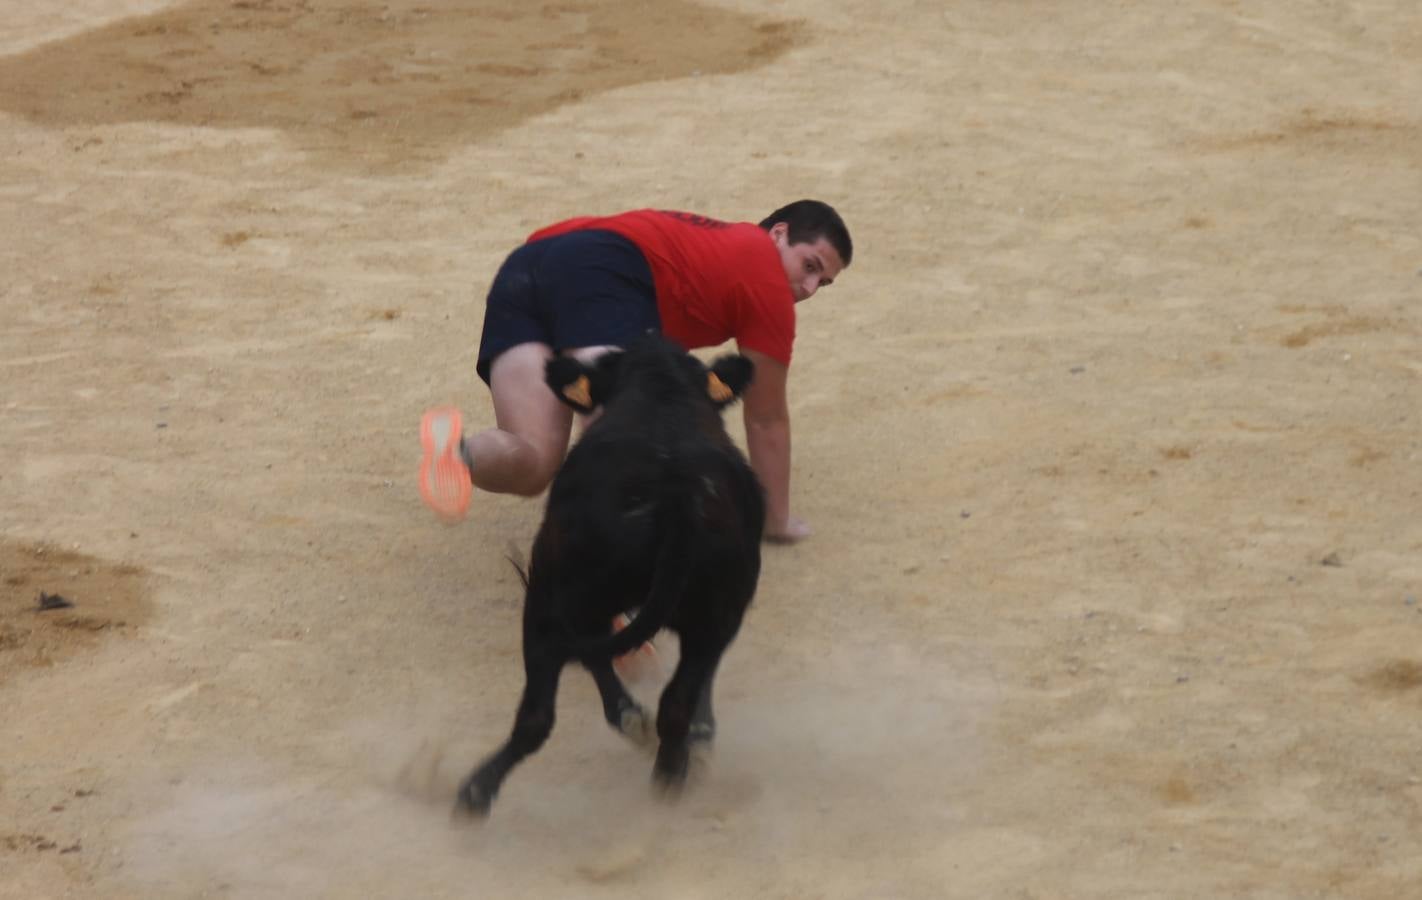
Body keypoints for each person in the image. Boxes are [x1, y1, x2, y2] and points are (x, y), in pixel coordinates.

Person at [419, 200, 852, 544]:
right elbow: (765, 416)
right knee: (625, 438)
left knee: (533, 461)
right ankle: (607, 602)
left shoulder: (714, 249)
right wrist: (775, 519)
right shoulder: (763, 273)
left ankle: (457, 455)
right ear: (779, 235)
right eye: (810, 266)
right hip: (601, 270)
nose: (809, 289)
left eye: (823, 284)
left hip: (527, 269)